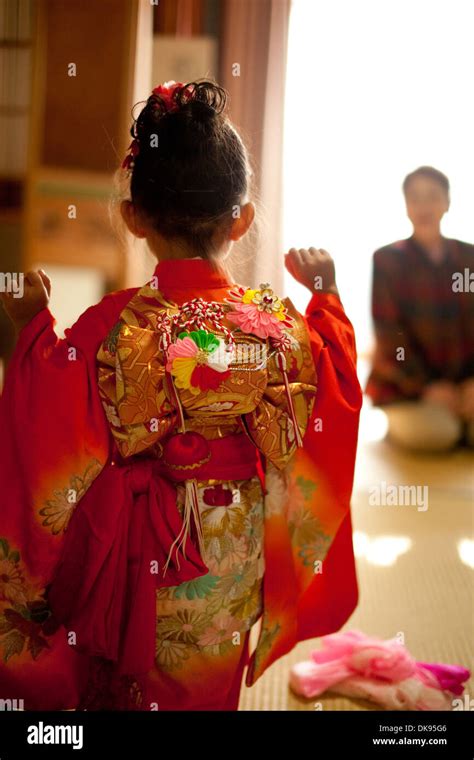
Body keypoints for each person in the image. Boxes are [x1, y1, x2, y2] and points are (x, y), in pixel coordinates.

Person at [0, 80, 362, 711]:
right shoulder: (278, 324)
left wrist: (31, 327)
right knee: (206, 679)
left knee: (120, 681)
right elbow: (333, 387)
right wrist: (325, 298)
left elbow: (48, 417)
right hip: (231, 556)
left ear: (133, 217)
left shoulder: (111, 325)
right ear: (242, 218)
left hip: (138, 550)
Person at [366, 166, 474, 452]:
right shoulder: (388, 260)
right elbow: (390, 334)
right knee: (438, 436)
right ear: (406, 206)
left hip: (465, 385)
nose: (424, 205)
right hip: (407, 387)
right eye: (415, 197)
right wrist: (427, 387)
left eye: (433, 196)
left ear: (447, 203)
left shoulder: (470, 258)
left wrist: (470, 385)